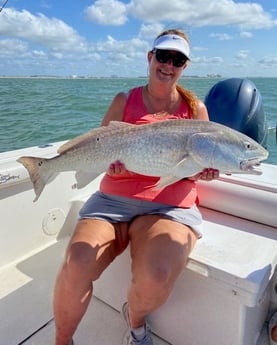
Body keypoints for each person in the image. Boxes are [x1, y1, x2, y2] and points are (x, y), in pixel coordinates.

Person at [53, 28, 219, 345]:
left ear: (185, 66)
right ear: (149, 57)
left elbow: (195, 165)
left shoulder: (195, 108)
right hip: (113, 200)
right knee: (77, 263)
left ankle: (136, 321)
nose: (168, 64)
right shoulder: (124, 100)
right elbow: (100, 146)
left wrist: (203, 172)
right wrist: (108, 163)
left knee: (156, 277)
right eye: (163, 56)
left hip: (169, 207)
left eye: (178, 59)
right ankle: (62, 340)